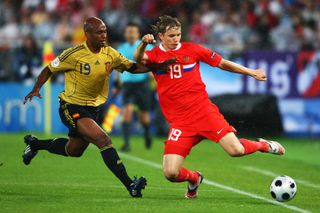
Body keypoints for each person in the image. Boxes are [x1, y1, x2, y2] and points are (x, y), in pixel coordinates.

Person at [134, 15, 285, 199]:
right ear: (160, 36)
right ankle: (194, 178)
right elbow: (139, 58)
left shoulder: (193, 49)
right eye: (171, 36)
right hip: (180, 123)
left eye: (178, 35)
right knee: (170, 173)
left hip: (204, 112)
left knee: (235, 150)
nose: (176, 39)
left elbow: (222, 63)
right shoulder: (155, 54)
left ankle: (263, 145)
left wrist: (251, 72)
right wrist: (143, 43)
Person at [22, 16, 174, 198]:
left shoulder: (110, 53)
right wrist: (36, 88)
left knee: (74, 150)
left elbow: (132, 67)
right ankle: (131, 185)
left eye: (105, 31)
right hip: (71, 106)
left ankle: (35, 144)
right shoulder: (74, 54)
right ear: (87, 34)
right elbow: (49, 69)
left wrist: (157, 67)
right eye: (99, 32)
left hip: (93, 109)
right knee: (103, 140)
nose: (103, 35)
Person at [115, 23, 153, 152]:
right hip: (127, 85)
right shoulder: (121, 48)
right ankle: (126, 143)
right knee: (127, 112)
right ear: (125, 34)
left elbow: (153, 64)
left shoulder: (147, 46)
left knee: (144, 116)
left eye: (133, 32)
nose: (131, 34)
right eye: (128, 32)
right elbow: (117, 67)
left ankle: (147, 134)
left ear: (138, 34)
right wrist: (117, 84)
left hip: (142, 84)